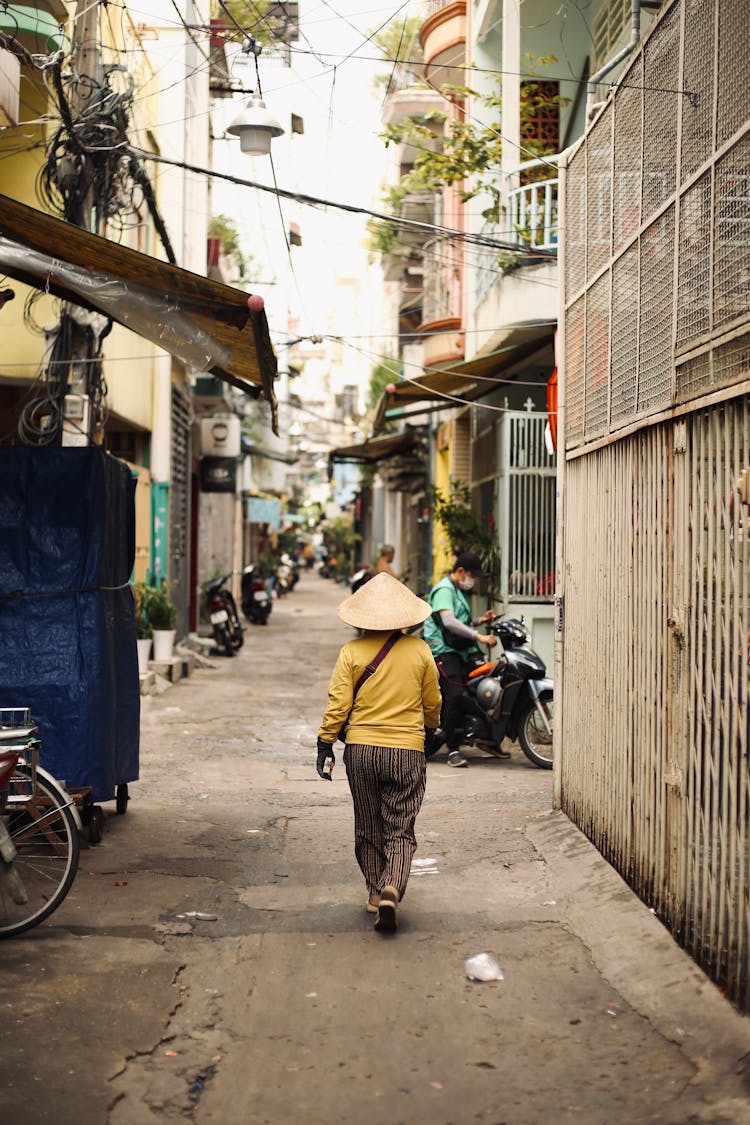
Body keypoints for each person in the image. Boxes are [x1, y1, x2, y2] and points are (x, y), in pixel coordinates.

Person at [316, 572, 441, 933]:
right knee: (400, 828)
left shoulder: (351, 652)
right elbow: (433, 702)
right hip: (406, 752)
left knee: (368, 826)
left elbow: (338, 704)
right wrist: (429, 730)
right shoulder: (420, 651)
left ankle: (375, 891)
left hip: (361, 752)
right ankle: (392, 886)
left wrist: (325, 742)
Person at [423, 551, 498, 768]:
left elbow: (460, 622)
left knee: (472, 689)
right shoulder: (445, 590)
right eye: (472, 575)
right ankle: (453, 749)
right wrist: (479, 636)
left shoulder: (456, 590)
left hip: (457, 649)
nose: (472, 580)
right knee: (455, 694)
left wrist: (478, 621)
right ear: (460, 571)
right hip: (443, 651)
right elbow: (449, 623)